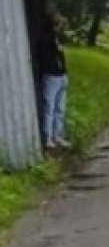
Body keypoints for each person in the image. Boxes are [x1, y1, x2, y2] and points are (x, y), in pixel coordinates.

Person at [38, 14, 69, 149]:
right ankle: (48, 137)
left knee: (60, 108)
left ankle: (57, 135)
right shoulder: (46, 39)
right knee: (49, 107)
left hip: (61, 75)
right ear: (54, 25)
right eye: (59, 24)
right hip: (51, 75)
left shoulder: (57, 39)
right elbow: (45, 56)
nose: (61, 28)